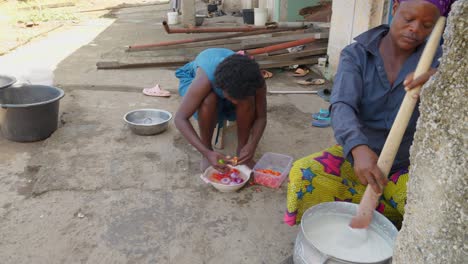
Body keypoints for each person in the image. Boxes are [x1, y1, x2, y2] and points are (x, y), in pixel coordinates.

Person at [285, 0, 454, 227]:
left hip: (406, 163)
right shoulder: (357, 54)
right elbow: (342, 104)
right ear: (394, 9)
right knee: (304, 174)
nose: (415, 29)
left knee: (434, 210)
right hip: (359, 155)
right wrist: (357, 147)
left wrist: (442, 80)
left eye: (427, 25)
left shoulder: (439, 60)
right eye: (409, 19)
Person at [174, 48, 267, 172]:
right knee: (209, 99)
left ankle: (242, 149)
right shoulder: (205, 79)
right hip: (198, 80)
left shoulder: (256, 80)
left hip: (232, 80)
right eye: (232, 98)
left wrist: (252, 144)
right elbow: (180, 118)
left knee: (247, 101)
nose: (235, 103)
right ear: (220, 86)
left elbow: (261, 117)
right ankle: (208, 151)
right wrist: (206, 152)